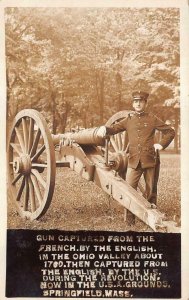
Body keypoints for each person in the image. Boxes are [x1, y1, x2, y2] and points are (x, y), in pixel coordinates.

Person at [104, 91, 175, 206]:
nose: (138, 104)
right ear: (133, 104)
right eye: (136, 101)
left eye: (140, 101)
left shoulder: (152, 119)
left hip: (149, 160)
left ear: (145, 103)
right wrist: (104, 129)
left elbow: (170, 132)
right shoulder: (128, 120)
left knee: (150, 192)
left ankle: (151, 218)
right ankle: (130, 220)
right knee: (129, 189)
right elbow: (114, 128)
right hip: (133, 161)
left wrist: (161, 144)